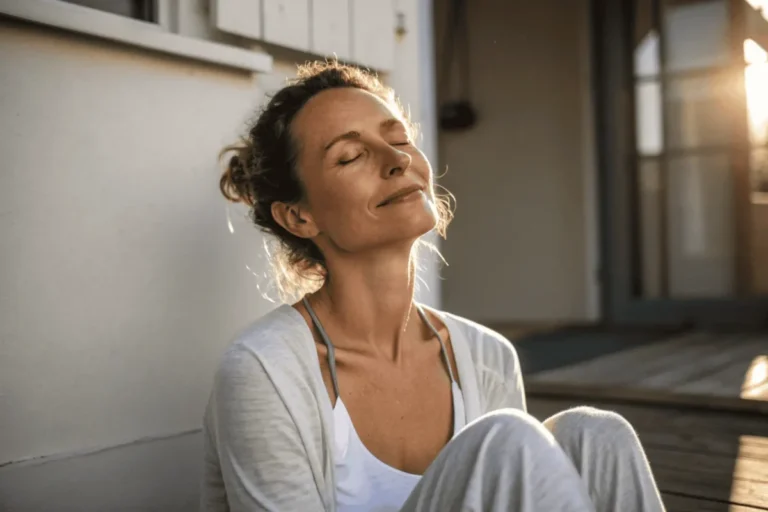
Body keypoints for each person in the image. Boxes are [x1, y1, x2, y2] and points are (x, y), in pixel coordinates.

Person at [200, 61, 666, 512]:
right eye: (350, 155)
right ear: (299, 216)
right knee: (507, 440)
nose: (397, 159)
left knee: (597, 434)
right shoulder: (265, 371)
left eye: (399, 139)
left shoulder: (486, 357)